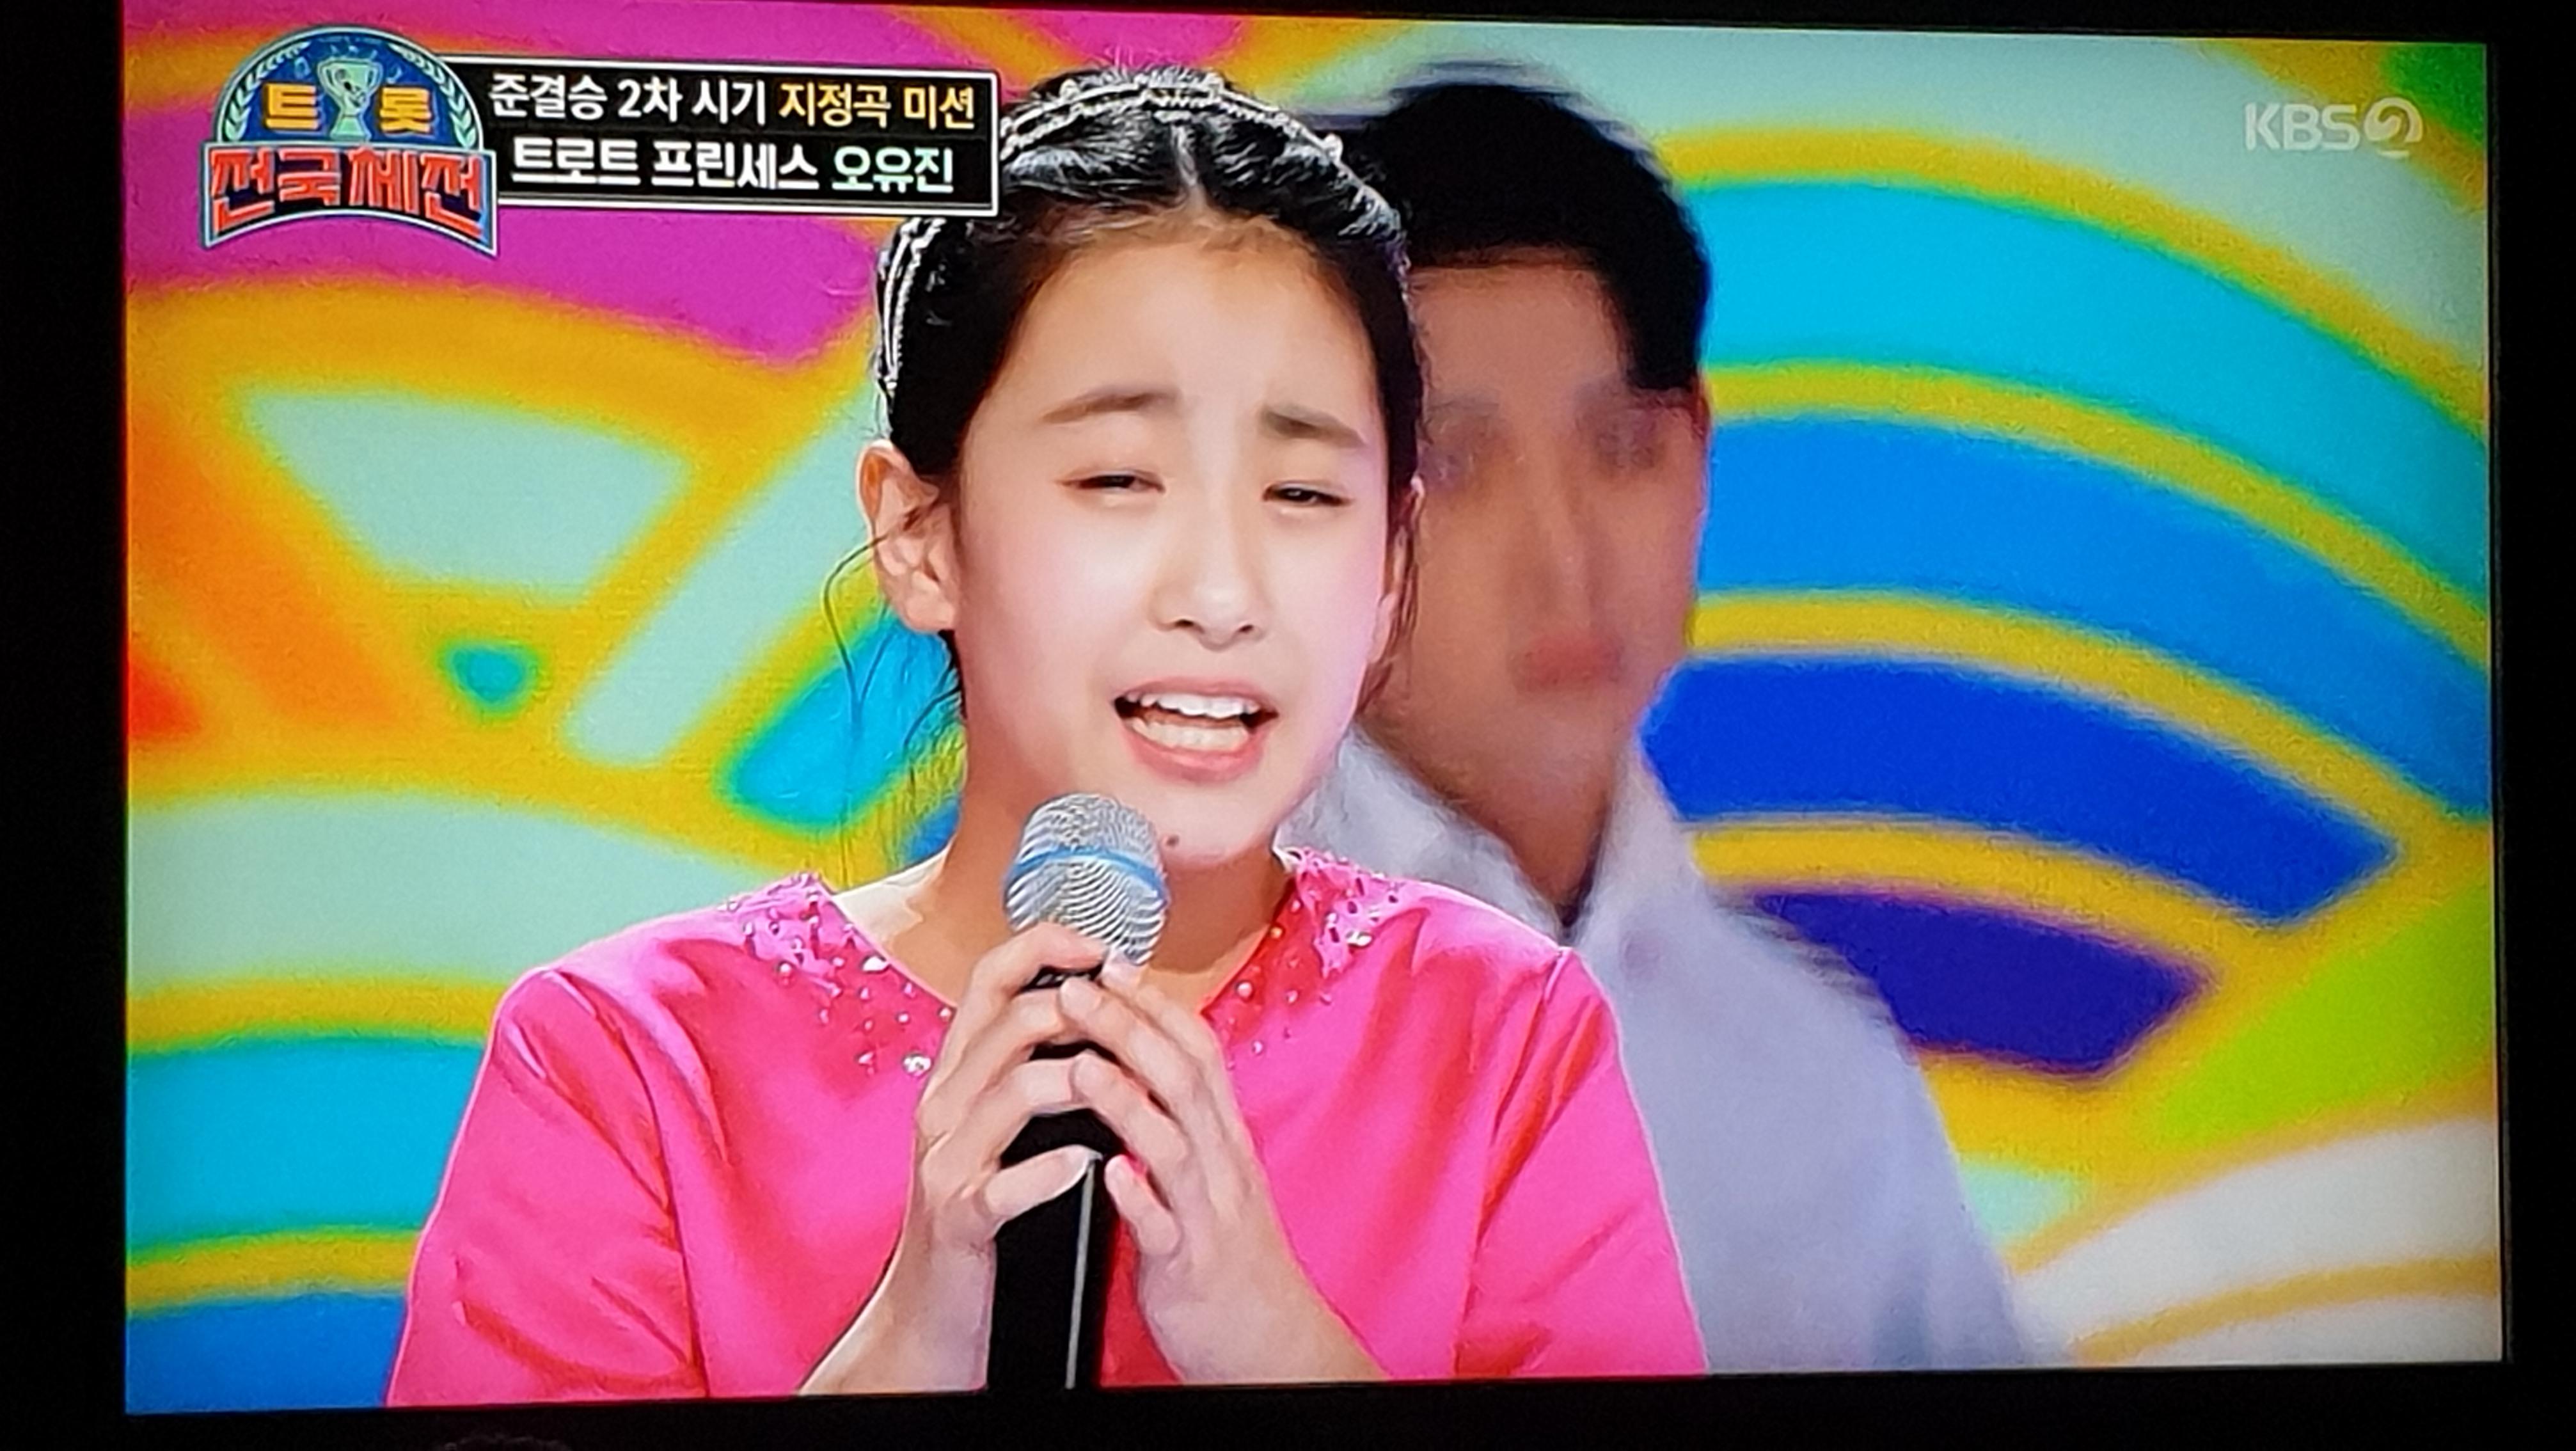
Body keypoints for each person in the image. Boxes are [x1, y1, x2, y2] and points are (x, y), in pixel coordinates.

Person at [385, 66, 1702, 1403]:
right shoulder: (628, 1063)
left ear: (1391, 567)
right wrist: (911, 1343)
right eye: (1120, 479)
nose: (1222, 594)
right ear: (920, 533)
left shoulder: (1503, 1034)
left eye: (1303, 493)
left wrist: (1276, 1345)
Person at [1281, 77, 2029, 1371]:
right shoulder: (1157, 1000)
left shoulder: (1820, 1076)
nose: (1566, 561)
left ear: (1700, 455)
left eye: (1623, 447)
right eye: (1456, 465)